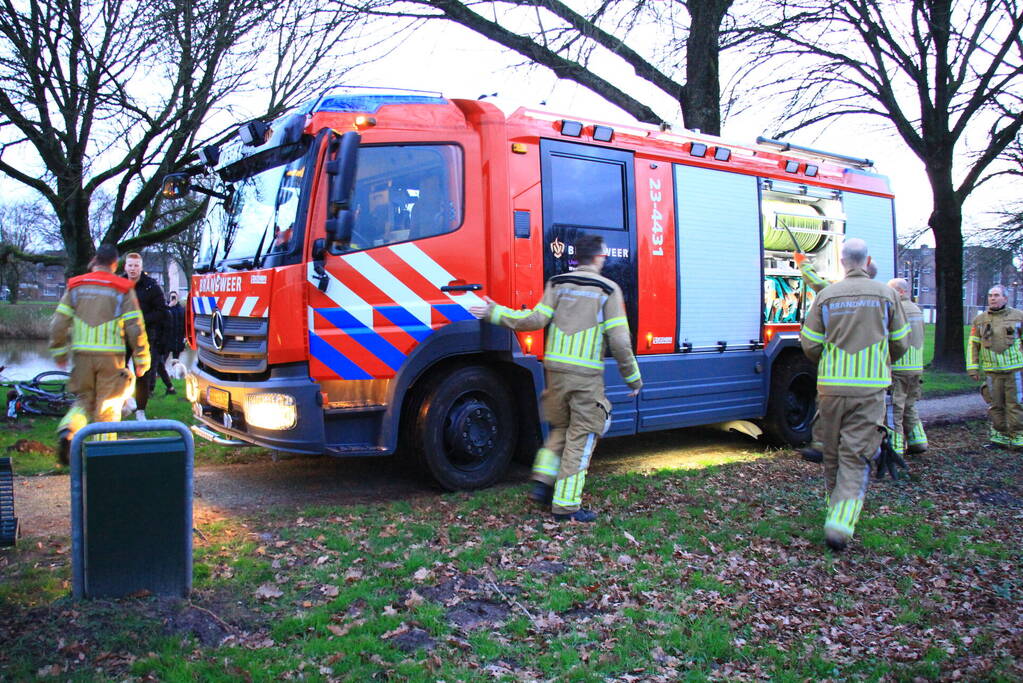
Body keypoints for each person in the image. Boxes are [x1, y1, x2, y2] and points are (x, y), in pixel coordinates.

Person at [470, 234, 642, 523]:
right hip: (585, 377)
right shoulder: (608, 290)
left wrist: (494, 312)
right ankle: (567, 506)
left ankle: (542, 482)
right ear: (600, 257)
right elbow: (620, 341)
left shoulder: (557, 283)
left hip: (556, 373)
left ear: (577, 257)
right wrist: (633, 378)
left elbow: (534, 321)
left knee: (561, 429)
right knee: (582, 437)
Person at [800, 238, 909, 551]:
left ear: (842, 260)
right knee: (856, 456)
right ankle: (840, 524)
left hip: (831, 390)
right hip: (869, 390)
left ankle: (834, 507)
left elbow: (809, 344)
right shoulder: (887, 295)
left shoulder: (827, 295)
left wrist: (832, 358)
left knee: (831, 453)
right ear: (867, 260)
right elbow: (900, 342)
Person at [49, 245, 150, 465]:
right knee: (108, 408)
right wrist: (142, 360)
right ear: (116, 264)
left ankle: (68, 431)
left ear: (96, 260)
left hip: (82, 356)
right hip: (111, 360)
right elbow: (135, 326)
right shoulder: (122, 288)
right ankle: (104, 461)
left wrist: (59, 351)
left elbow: (58, 323)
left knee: (83, 401)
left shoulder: (75, 286)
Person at [795, 252, 879, 464]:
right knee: (864, 419)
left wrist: (802, 263)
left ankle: (823, 448)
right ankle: (863, 452)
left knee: (826, 413)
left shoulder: (837, 293)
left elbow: (816, 283)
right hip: (871, 375)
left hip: (836, 373)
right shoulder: (882, 297)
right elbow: (899, 342)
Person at [967, 285, 1023, 448]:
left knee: (1016, 403)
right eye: (990, 295)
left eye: (996, 295)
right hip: (992, 372)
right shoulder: (980, 320)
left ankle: (1018, 436)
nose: (992, 298)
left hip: (1015, 371)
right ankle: (1000, 436)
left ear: (1005, 298)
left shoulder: (1018, 317)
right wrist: (973, 368)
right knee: (995, 404)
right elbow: (973, 345)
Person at [121, 252, 171, 419]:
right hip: (121, 335)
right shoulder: (118, 284)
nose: (133, 269)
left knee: (142, 372)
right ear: (125, 266)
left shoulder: (151, 286)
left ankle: (141, 410)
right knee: (119, 370)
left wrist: (140, 320)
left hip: (144, 336)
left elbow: (162, 312)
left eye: (136, 266)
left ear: (141, 268)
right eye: (130, 265)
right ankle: (127, 400)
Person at [887, 278, 927, 455]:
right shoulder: (916, 309)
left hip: (899, 367)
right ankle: (918, 442)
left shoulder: (898, 310)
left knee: (894, 407)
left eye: (892, 291)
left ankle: (894, 448)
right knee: (910, 405)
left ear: (901, 292)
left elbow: (894, 339)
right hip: (915, 367)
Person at [166, 292, 186, 362]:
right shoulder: (167, 308)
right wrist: (169, 307)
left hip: (178, 338)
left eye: (175, 297)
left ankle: (174, 371)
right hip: (168, 338)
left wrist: (184, 337)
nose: (173, 298)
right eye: (172, 297)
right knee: (164, 358)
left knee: (176, 359)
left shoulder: (181, 309)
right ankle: (161, 372)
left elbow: (184, 323)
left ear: (177, 298)